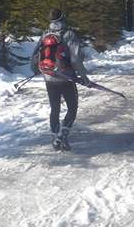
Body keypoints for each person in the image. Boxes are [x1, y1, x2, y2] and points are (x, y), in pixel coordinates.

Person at [30, 9, 91, 151]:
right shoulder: (68, 34)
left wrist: (36, 70)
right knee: (72, 107)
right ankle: (63, 134)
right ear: (63, 18)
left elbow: (34, 56)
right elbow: (75, 59)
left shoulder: (45, 34)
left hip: (49, 77)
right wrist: (83, 77)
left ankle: (55, 137)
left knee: (55, 108)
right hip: (66, 77)